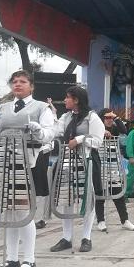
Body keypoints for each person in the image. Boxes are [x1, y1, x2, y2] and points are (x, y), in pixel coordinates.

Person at [0, 70, 55, 267]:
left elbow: (49, 135)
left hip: (28, 165)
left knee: (24, 213)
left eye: (22, 81)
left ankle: (29, 259)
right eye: (14, 82)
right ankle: (11, 258)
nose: (18, 84)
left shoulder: (41, 108)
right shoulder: (1, 109)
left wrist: (37, 129)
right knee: (9, 213)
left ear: (31, 86)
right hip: (3, 164)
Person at [50, 86, 105, 253]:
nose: (65, 100)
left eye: (68, 97)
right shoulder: (66, 117)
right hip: (68, 162)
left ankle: (86, 238)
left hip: (87, 162)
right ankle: (66, 238)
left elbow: (97, 141)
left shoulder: (92, 117)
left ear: (76, 100)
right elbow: (54, 131)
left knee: (88, 199)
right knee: (67, 197)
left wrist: (80, 139)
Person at [95, 109, 134, 232]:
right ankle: (101, 221)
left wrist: (117, 118)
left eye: (111, 118)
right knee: (100, 194)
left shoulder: (115, 127)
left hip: (113, 165)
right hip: (100, 164)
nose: (109, 120)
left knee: (118, 193)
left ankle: (125, 221)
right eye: (106, 117)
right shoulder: (96, 128)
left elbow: (125, 131)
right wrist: (102, 131)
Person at [34, 97, 59, 230]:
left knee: (41, 186)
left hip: (43, 152)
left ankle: (41, 218)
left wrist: (50, 105)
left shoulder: (51, 119)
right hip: (29, 152)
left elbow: (54, 125)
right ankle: (32, 216)